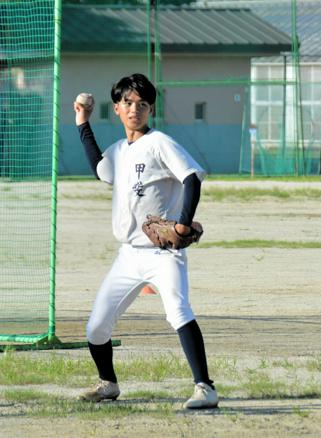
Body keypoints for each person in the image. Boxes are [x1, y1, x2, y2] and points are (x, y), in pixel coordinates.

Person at [73, 73, 218, 409]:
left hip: (162, 253)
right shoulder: (120, 150)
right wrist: (82, 122)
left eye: (142, 104)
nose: (134, 109)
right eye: (127, 103)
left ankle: (205, 388)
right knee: (96, 327)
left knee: (178, 311)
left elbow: (191, 178)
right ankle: (108, 384)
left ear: (150, 109)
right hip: (128, 255)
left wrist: (182, 226)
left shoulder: (159, 143)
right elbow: (100, 168)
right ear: (118, 109)